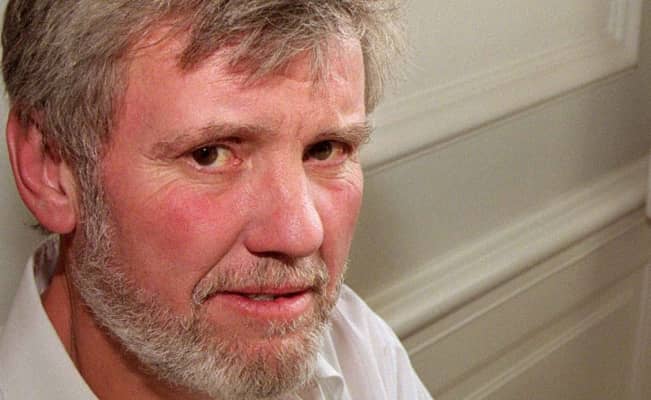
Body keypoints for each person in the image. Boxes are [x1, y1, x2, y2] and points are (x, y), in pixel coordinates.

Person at [0, 1, 432, 399]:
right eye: (210, 155)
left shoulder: (358, 346)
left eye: (325, 149)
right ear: (49, 167)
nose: (301, 234)